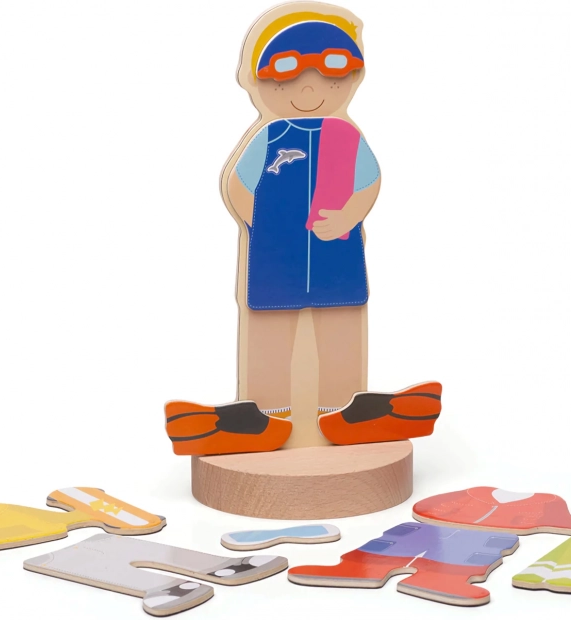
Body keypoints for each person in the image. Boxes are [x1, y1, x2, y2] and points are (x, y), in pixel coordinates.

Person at [165, 6, 441, 455]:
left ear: (350, 80)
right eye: (289, 82)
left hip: (336, 253)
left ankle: (344, 409)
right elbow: (239, 187)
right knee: (270, 332)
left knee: (342, 328)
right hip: (277, 259)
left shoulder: (346, 137)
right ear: (261, 83)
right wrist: (267, 230)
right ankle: (267, 414)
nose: (309, 91)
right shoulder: (269, 137)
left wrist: (349, 217)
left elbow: (368, 183)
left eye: (329, 80)